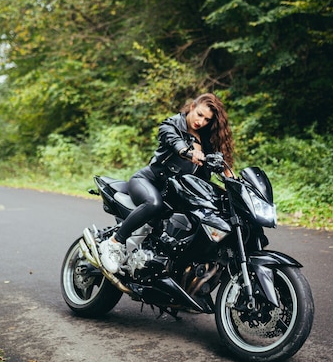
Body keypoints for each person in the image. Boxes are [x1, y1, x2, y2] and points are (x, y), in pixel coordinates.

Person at [99, 93, 235, 273]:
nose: (201, 121)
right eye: (200, 114)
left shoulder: (207, 141)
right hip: (150, 182)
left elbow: (224, 165)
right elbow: (174, 142)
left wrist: (233, 182)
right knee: (154, 204)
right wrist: (188, 152)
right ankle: (114, 242)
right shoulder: (171, 125)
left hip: (178, 194)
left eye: (207, 119)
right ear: (192, 107)